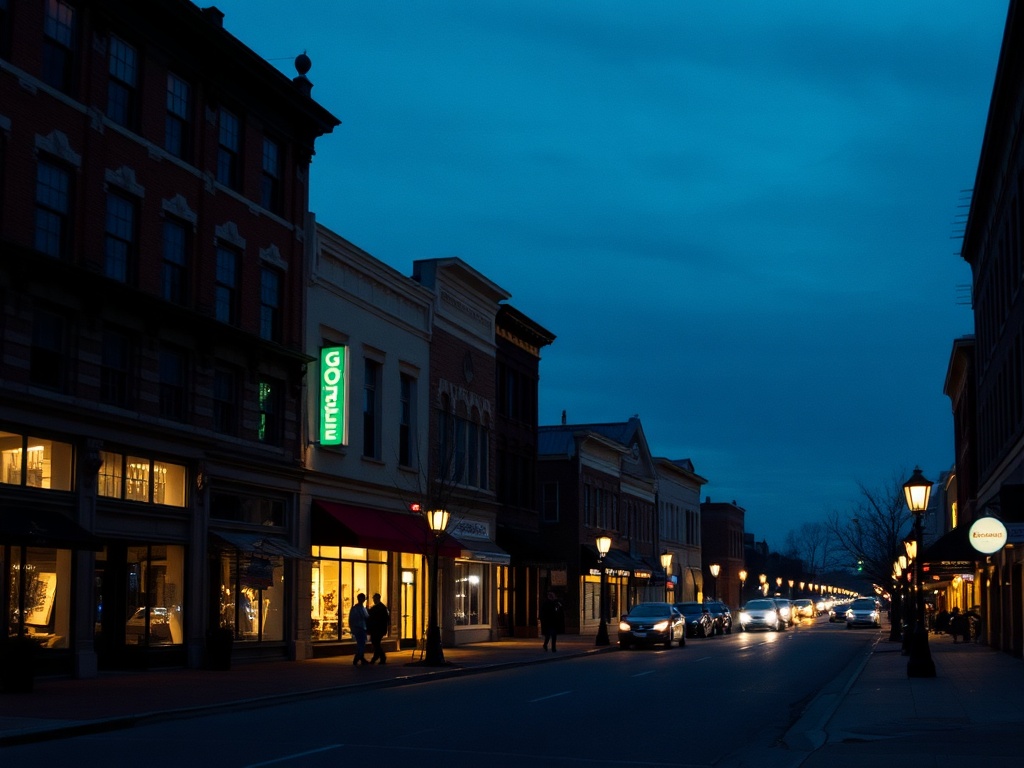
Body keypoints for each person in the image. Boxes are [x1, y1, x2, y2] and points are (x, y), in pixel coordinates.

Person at [367, 592, 390, 665]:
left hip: (377, 629)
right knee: (376, 643)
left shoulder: (379, 608)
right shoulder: (382, 607)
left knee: (376, 643)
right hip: (379, 629)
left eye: (374, 599)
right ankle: (376, 657)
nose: (373, 600)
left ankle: (381, 657)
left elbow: (372, 617)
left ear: (377, 599)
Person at [348, 593, 369, 665]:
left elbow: (366, 617)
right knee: (361, 644)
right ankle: (357, 657)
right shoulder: (356, 608)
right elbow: (352, 619)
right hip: (359, 628)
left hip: (362, 628)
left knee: (361, 644)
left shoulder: (362, 608)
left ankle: (361, 657)